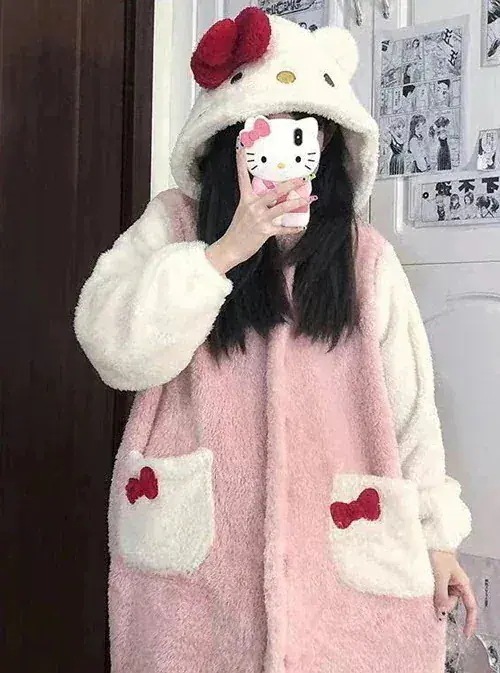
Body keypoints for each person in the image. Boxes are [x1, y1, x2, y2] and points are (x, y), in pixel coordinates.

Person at [74, 10, 477, 673]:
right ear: (227, 138)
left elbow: (412, 415)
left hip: (338, 575)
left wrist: (438, 540)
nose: (285, 154)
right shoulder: (174, 227)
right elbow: (111, 346)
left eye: (304, 132)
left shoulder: (365, 259)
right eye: (261, 132)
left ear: (328, 143)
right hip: (199, 577)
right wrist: (222, 254)